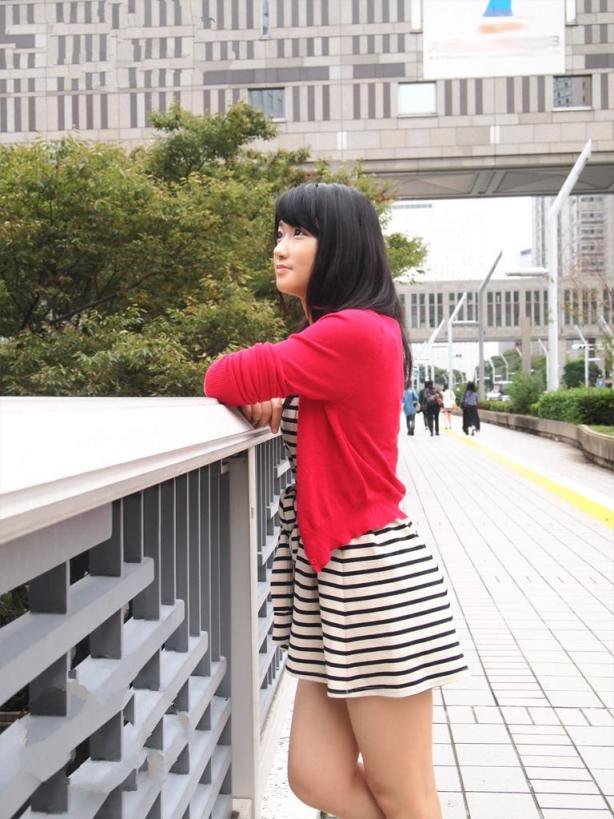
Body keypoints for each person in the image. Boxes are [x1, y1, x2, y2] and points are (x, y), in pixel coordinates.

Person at [204, 182, 469, 819]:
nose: (280, 248)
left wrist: (267, 386)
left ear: (342, 245)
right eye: (280, 233)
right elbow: (266, 384)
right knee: (315, 777)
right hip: (333, 581)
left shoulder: (353, 332)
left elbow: (223, 375)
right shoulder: (339, 335)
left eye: (299, 234)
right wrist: (274, 391)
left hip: (370, 577)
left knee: (405, 795)